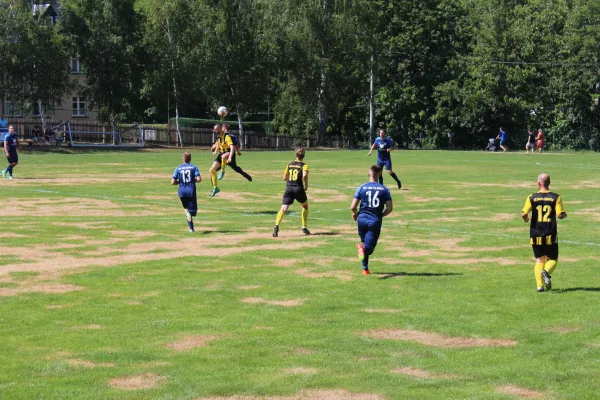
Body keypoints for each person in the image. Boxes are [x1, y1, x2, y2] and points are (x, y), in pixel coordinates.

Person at [521, 173, 567, 292]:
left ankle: (539, 286)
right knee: (553, 259)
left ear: (539, 183)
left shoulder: (531, 197)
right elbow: (560, 215)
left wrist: (526, 219)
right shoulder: (555, 197)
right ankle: (546, 272)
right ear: (549, 183)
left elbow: (524, 214)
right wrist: (565, 214)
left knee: (539, 260)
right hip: (550, 233)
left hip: (535, 233)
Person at [350, 165, 393, 275]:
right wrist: (381, 215)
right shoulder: (384, 189)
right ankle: (362, 250)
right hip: (374, 221)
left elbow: (353, 207)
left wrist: (355, 214)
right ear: (379, 175)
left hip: (361, 219)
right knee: (369, 248)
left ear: (369, 174)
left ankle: (365, 269)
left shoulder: (361, 187)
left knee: (364, 243)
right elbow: (389, 208)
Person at [272, 147, 310, 237]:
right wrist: (306, 184)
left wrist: (290, 180)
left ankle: (276, 225)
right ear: (303, 156)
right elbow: (304, 176)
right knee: (305, 206)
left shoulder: (290, 164)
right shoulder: (304, 165)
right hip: (298, 188)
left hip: (289, 188)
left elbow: (284, 177)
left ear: (296, 155)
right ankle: (304, 226)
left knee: (283, 208)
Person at [172, 152, 201, 232]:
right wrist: (193, 180)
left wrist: (180, 182)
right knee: (193, 212)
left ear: (183, 158)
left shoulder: (178, 168)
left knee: (186, 209)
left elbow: (173, 182)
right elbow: (199, 179)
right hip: (190, 191)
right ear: (190, 158)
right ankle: (189, 214)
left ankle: (191, 229)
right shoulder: (194, 167)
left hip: (181, 192)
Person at [208, 124, 233, 197]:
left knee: (223, 156)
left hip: (227, 153)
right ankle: (215, 188)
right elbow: (218, 144)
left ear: (220, 129)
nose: (214, 130)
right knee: (212, 170)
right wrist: (215, 150)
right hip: (221, 154)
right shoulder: (218, 136)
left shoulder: (227, 137)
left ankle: (222, 171)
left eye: (215, 129)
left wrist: (230, 157)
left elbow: (232, 147)